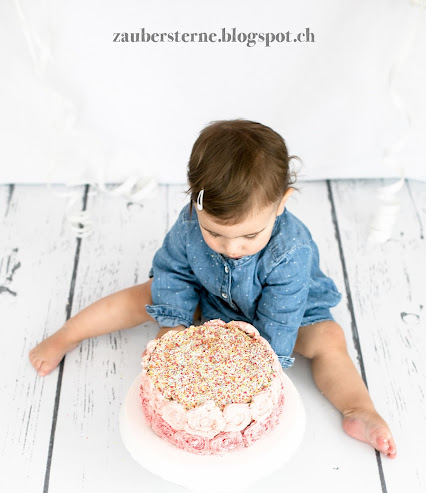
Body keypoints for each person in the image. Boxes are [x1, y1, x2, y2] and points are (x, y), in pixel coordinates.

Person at [29, 119, 397, 458]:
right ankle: (68, 333)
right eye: (215, 233)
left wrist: (254, 373)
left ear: (282, 203)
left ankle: (357, 409)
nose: (232, 248)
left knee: (328, 339)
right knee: (146, 293)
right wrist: (173, 326)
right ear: (195, 202)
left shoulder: (291, 251)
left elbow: (282, 317)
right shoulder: (190, 221)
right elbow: (173, 270)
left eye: (250, 235)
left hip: (281, 314)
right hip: (213, 297)